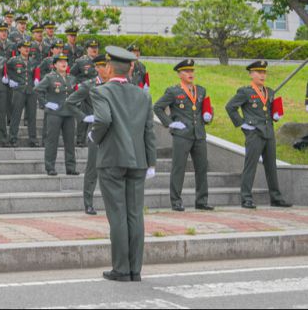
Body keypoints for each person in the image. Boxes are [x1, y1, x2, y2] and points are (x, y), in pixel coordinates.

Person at [89, 46, 157, 282]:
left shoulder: (101, 91)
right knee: (135, 214)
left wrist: (93, 136)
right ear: (131, 68)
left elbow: (103, 119)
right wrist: (152, 162)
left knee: (117, 214)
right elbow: (150, 131)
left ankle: (121, 268)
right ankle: (135, 269)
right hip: (138, 160)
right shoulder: (143, 94)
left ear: (108, 68)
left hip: (112, 159)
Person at [225, 60, 292, 209]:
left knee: (271, 166)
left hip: (269, 132)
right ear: (251, 74)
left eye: (264, 72)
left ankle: (276, 197)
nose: (262, 75)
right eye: (258, 72)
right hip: (254, 133)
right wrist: (243, 124)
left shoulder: (270, 91)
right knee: (250, 166)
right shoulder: (245, 92)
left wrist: (275, 114)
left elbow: (269, 110)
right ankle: (246, 198)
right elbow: (230, 107)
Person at [153, 59, 215, 212]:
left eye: (192, 71)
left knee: (201, 168)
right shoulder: (174, 91)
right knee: (178, 168)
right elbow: (158, 107)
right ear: (180, 74)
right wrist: (169, 123)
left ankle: (201, 200)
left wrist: (209, 115)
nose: (190, 74)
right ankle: (176, 201)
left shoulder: (201, 90)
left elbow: (205, 109)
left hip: (199, 134)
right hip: (182, 134)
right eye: (186, 71)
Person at [66, 54, 110, 215]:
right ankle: (88, 202)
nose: (107, 68)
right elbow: (70, 103)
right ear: (97, 68)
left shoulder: (116, 84)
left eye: (108, 65)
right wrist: (84, 117)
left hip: (115, 131)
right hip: (96, 130)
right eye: (104, 66)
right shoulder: (89, 85)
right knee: (93, 167)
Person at [36, 54, 79, 176]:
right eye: (60, 62)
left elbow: (76, 92)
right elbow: (38, 90)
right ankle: (50, 167)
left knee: (70, 141)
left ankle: (71, 167)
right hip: (54, 113)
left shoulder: (71, 78)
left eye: (65, 61)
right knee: (52, 141)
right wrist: (45, 103)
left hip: (69, 113)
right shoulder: (50, 77)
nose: (63, 63)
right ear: (54, 65)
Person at [6, 41, 38, 147]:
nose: (27, 49)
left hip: (31, 90)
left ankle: (33, 139)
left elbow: (37, 73)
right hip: (19, 90)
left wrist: (37, 80)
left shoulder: (33, 61)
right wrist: (9, 79)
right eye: (24, 47)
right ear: (19, 49)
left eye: (28, 47)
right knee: (16, 115)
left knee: (32, 116)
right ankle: (12, 139)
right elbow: (4, 69)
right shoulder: (13, 60)